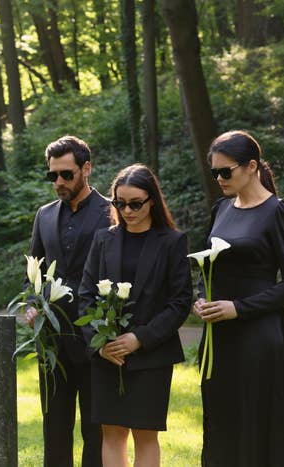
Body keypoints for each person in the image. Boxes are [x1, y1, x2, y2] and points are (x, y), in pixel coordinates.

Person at [78, 163, 192, 467]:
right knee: (111, 434)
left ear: (152, 200)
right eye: (120, 203)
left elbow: (180, 302)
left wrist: (139, 338)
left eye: (135, 203)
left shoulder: (172, 242)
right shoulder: (103, 239)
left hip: (152, 355)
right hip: (107, 355)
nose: (127, 210)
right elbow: (86, 295)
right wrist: (101, 343)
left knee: (145, 435)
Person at [194, 130, 284, 466]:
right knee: (220, 422)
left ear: (251, 167)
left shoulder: (277, 211)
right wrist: (201, 300)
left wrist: (239, 308)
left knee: (254, 422)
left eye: (225, 171)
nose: (219, 178)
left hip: (259, 338)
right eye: (214, 172)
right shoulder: (221, 208)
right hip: (219, 339)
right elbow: (212, 268)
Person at [25, 135, 108, 467]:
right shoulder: (43, 216)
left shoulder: (112, 211)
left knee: (96, 430)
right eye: (52, 175)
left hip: (95, 339)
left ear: (86, 169)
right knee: (54, 429)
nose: (58, 182)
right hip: (52, 342)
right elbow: (35, 270)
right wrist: (32, 303)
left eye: (66, 174)